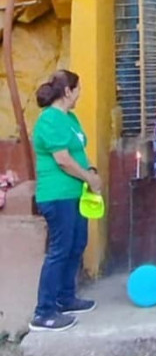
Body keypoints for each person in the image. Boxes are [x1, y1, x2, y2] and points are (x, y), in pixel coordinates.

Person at [30, 70, 102, 332]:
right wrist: (88, 177)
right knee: (59, 250)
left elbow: (77, 152)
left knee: (77, 243)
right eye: (78, 89)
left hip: (75, 193)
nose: (80, 94)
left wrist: (90, 172)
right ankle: (44, 311)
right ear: (67, 91)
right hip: (57, 194)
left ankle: (65, 297)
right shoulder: (49, 119)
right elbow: (62, 159)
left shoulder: (69, 118)